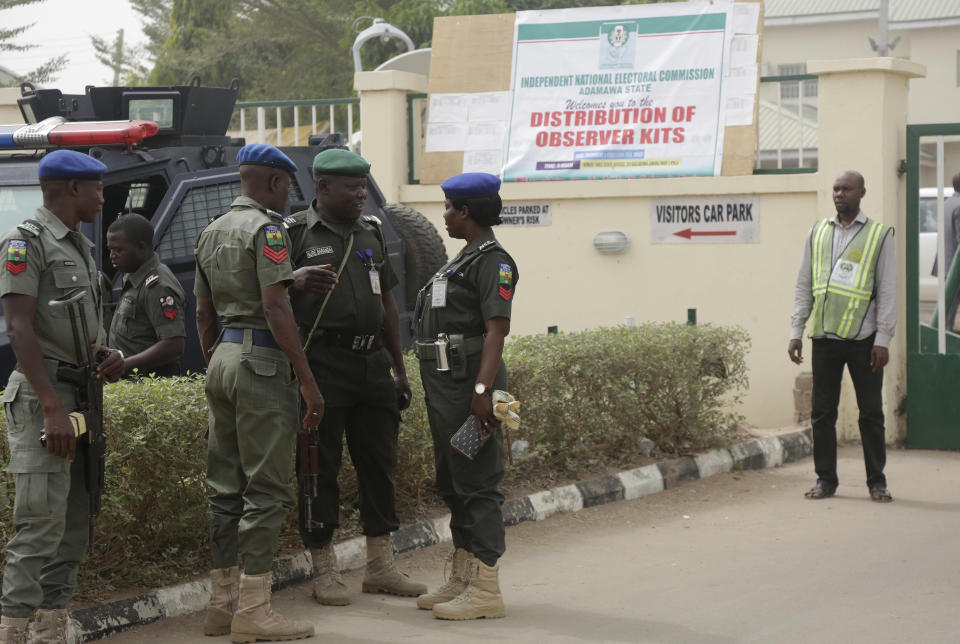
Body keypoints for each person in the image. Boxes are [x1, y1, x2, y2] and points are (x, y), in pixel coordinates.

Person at [194, 144, 323, 642]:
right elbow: (275, 307)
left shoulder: (211, 230)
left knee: (225, 490)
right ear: (273, 183)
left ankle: (220, 606)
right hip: (262, 362)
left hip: (222, 357)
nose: (289, 194)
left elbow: (203, 314)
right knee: (266, 491)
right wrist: (307, 381)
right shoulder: (268, 230)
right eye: (287, 184)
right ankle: (253, 610)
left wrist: (219, 362)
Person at [285, 148, 426, 605]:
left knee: (379, 464)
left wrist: (399, 366)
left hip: (372, 367)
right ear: (323, 189)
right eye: (352, 187)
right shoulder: (294, 234)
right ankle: (323, 571)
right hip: (322, 364)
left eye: (364, 186)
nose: (362, 194)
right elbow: (269, 303)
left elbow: (386, 300)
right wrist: (295, 281)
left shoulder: (371, 232)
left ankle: (381, 566)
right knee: (319, 468)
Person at [0, 149, 123, 644]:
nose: (101, 197)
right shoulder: (26, 243)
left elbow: (69, 328)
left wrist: (103, 352)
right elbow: (19, 326)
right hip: (43, 399)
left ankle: (51, 628)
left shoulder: (79, 246)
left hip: (80, 395)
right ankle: (12, 629)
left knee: (74, 526)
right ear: (72, 189)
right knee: (38, 527)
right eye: (96, 188)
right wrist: (51, 404)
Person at [414, 172, 518, 620]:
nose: (444, 215)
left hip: (469, 386)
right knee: (453, 481)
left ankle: (486, 587)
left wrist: (482, 391)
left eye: (449, 207)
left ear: (467, 211)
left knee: (478, 484)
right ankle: (463, 575)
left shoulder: (494, 262)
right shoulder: (463, 259)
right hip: (447, 388)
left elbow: (496, 330)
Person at [788, 170, 896, 503]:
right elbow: (804, 283)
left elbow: (888, 290)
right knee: (822, 413)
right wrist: (796, 330)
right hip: (824, 338)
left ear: (862, 192)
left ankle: (877, 482)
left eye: (846, 189)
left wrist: (883, 339)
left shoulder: (879, 235)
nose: (839, 194)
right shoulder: (817, 232)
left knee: (871, 414)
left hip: (864, 341)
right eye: (835, 189)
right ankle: (826, 480)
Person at [99, 213, 185, 379]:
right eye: (110, 250)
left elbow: (174, 344)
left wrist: (123, 365)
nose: (112, 256)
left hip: (149, 386)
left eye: (118, 250)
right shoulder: (133, 274)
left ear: (141, 247)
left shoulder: (158, 286)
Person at [934, 172, 960, 329]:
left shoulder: (948, 202)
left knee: (948, 310)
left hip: (946, 264)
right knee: (948, 311)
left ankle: (943, 342)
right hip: (956, 268)